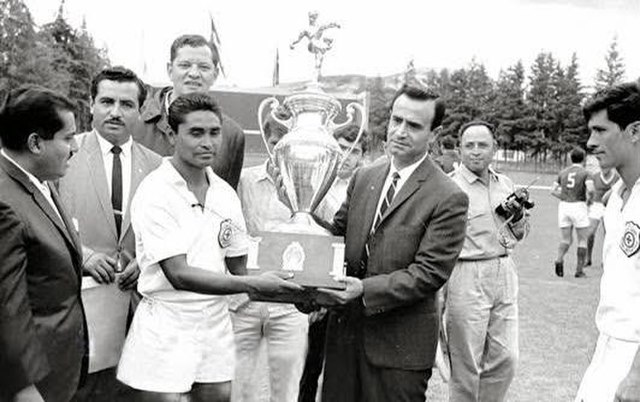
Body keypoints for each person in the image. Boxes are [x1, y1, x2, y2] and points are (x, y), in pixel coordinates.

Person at [116, 93, 300, 402]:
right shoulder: (155, 191)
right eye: (196, 133)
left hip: (215, 328)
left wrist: (306, 287)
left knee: (216, 396)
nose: (208, 142)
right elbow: (179, 275)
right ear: (172, 135)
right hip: (167, 327)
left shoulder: (225, 194)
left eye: (215, 133)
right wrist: (254, 283)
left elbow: (242, 267)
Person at [309, 84, 469, 401]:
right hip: (343, 340)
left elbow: (428, 274)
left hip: (399, 353)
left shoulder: (449, 196)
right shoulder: (364, 177)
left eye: (413, 125)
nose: (400, 131)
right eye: (396, 120)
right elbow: (336, 237)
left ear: (434, 134)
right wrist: (301, 209)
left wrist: (364, 290)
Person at [58, 66, 162, 401]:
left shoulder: (160, 168)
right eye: (106, 101)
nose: (115, 112)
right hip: (77, 309)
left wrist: (149, 261)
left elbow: (170, 235)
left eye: (126, 104)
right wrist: (83, 254)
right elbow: (36, 222)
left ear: (141, 110)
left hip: (137, 309)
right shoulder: (62, 154)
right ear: (91, 104)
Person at [0, 86, 86, 401]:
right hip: (32, 385)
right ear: (35, 143)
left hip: (57, 371)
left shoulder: (38, 182)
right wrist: (23, 388)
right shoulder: (5, 203)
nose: (75, 146)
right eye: (68, 138)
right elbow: (8, 309)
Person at [445, 121, 530, 402]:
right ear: (459, 150)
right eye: (469, 145)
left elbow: (520, 232)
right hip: (466, 273)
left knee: (506, 357)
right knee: (466, 361)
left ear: (495, 148)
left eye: (483, 145)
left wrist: (517, 216)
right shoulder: (448, 187)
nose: (476, 151)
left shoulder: (505, 184)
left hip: (504, 269)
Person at [230, 111, 311, 402]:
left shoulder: (312, 186)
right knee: (237, 388)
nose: (279, 149)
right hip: (245, 300)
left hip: (289, 305)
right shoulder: (243, 181)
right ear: (267, 139)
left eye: (286, 143)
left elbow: (327, 235)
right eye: (275, 141)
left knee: (284, 391)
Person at [575, 82, 640, 402]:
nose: (591, 143)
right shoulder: (616, 197)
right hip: (608, 347)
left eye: (601, 131)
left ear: (635, 131)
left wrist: (637, 375)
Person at [298, 124, 367, 402]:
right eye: (342, 150)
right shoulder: (316, 186)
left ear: (362, 155)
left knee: (346, 367)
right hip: (322, 286)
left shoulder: (365, 186)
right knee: (312, 362)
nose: (347, 157)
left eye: (355, 151)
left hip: (353, 286)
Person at [133, 34, 244, 189]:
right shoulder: (136, 124)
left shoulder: (232, 136)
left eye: (204, 67)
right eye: (185, 65)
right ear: (170, 70)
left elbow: (225, 204)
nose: (193, 74)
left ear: (215, 74)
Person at [551, 147, 590, 278]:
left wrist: (563, 196)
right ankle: (579, 270)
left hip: (564, 206)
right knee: (582, 240)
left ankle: (559, 259)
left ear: (570, 158)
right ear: (583, 158)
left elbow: (552, 190)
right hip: (579, 205)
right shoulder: (585, 173)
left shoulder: (563, 172)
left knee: (566, 239)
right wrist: (589, 201)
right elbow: (590, 190)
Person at [585, 166, 619, 267]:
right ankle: (588, 258)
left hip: (610, 206)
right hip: (596, 206)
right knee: (590, 233)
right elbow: (590, 190)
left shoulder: (616, 177)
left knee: (608, 234)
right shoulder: (595, 177)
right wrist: (589, 200)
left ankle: (605, 259)